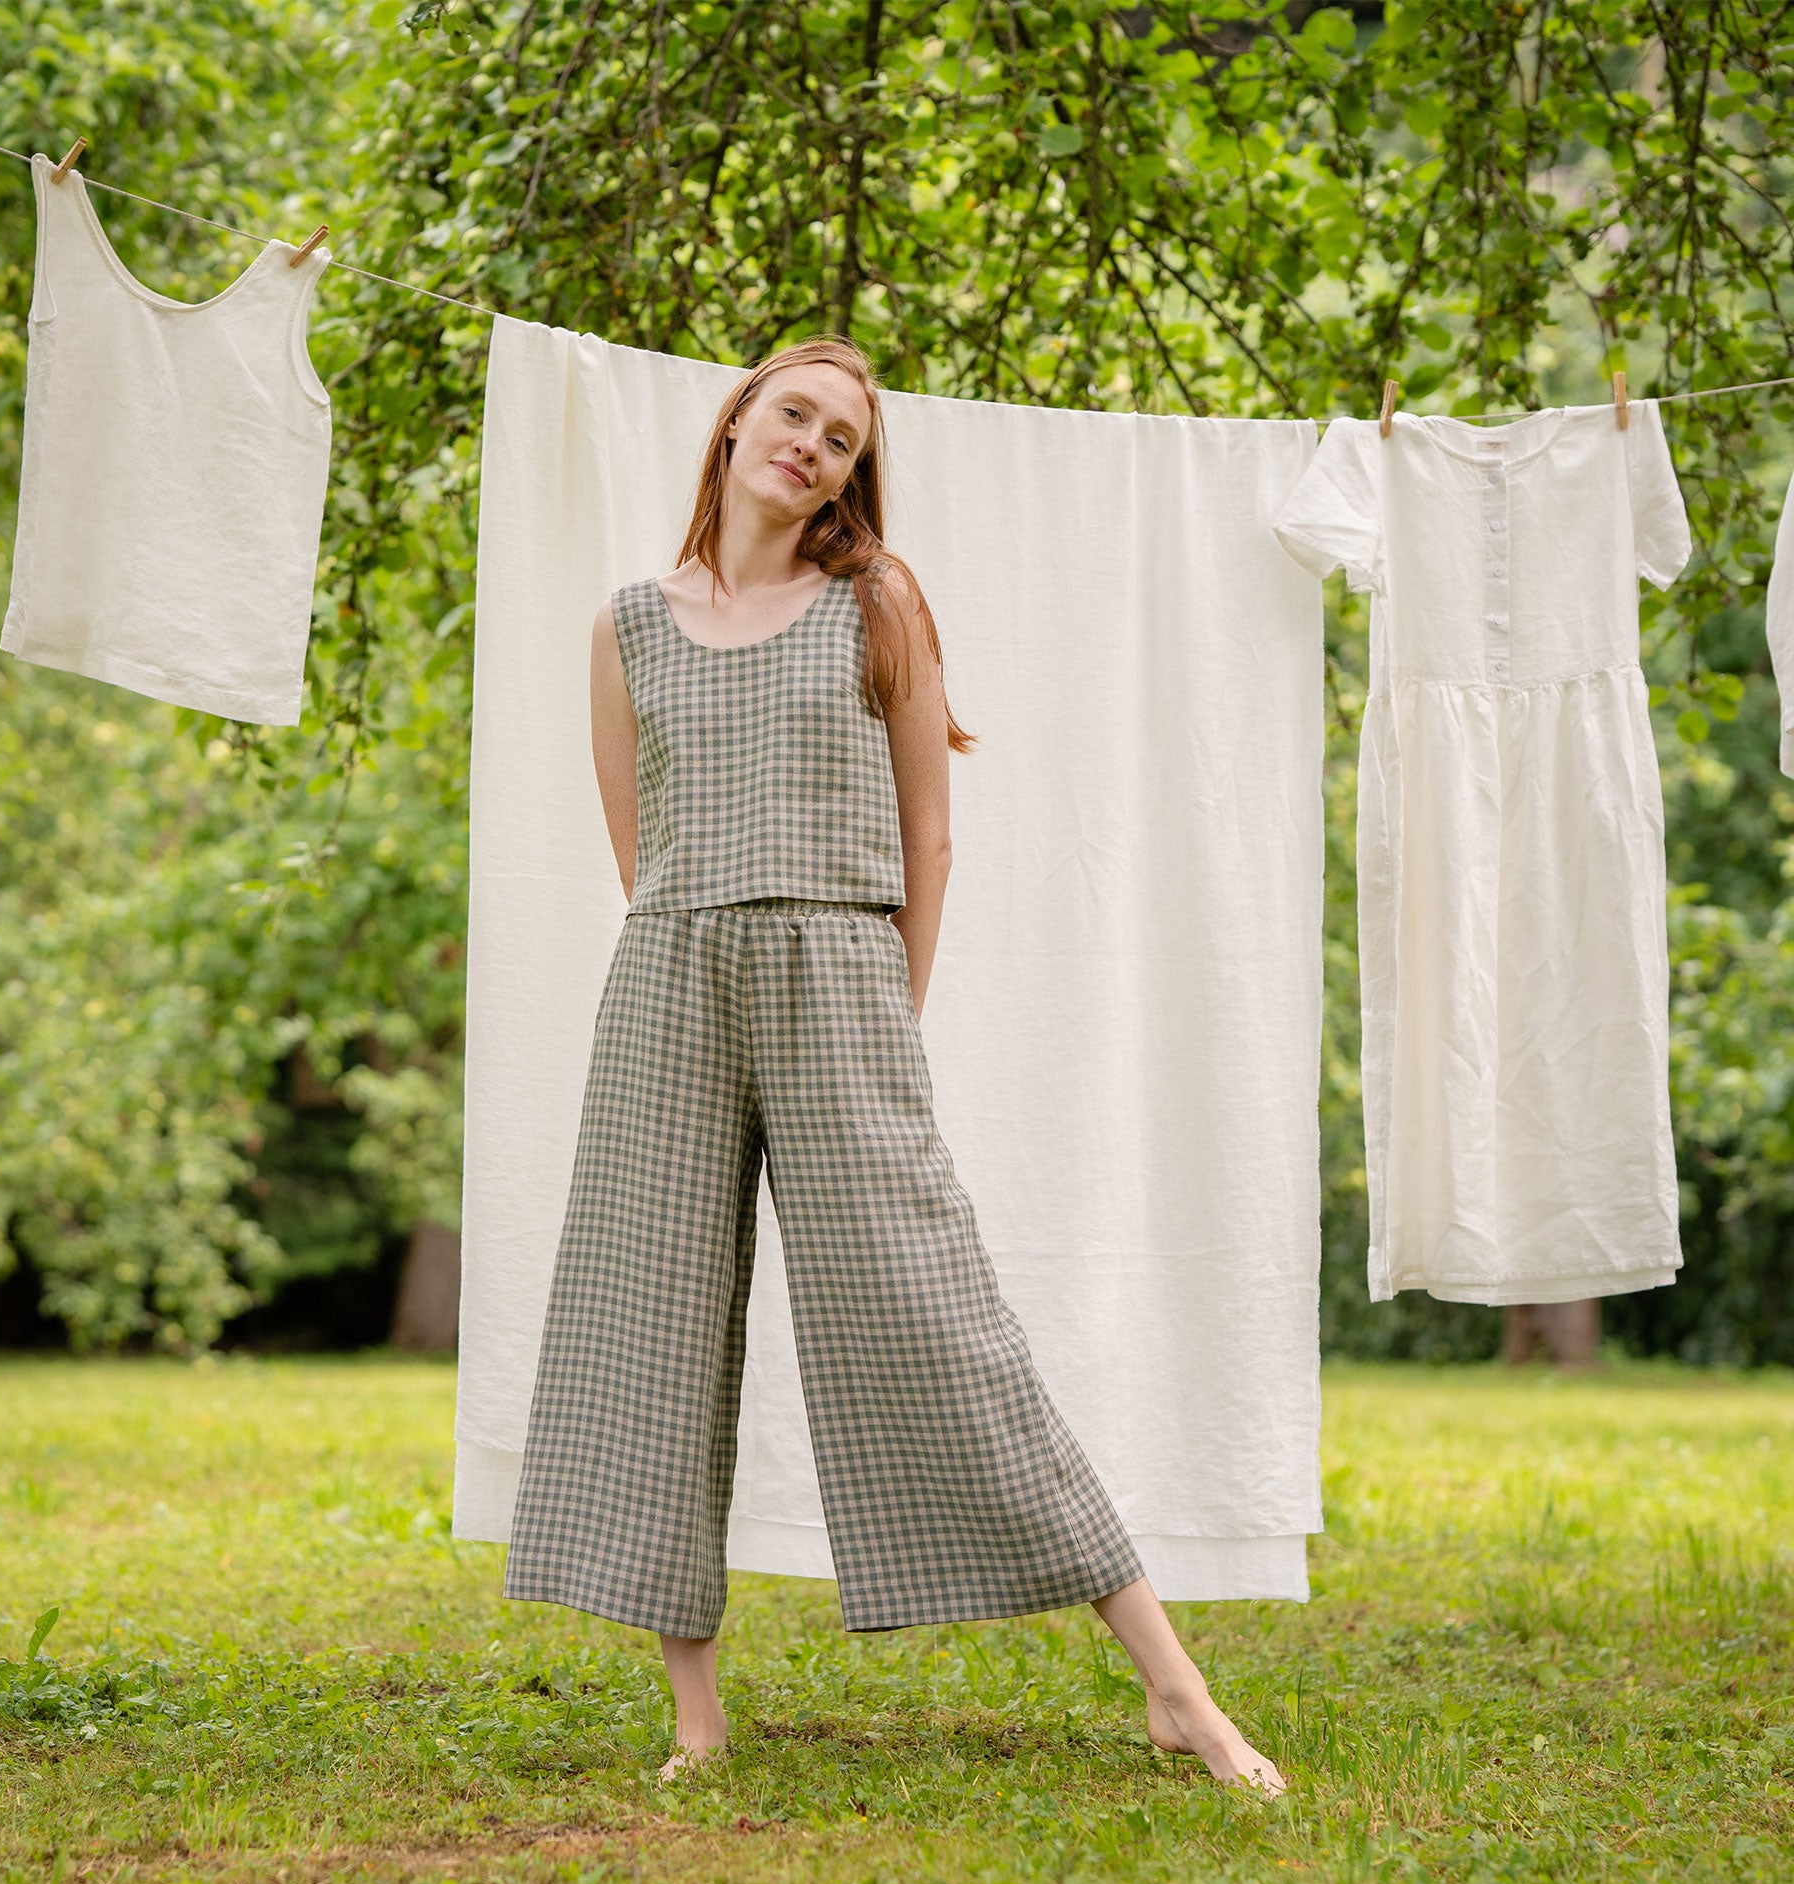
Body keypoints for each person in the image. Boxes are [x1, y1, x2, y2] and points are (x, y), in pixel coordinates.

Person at [502, 336, 1285, 1798]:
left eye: (843, 439)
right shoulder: (625, 626)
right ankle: (696, 1720)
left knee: (941, 1318)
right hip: (671, 977)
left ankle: (1177, 1692)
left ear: (853, 475)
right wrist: (703, 953)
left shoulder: (878, 601)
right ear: (736, 421)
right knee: (650, 1322)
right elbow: (639, 849)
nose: (812, 445)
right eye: (792, 414)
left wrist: (882, 1013)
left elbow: (931, 835)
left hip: (841, 978)